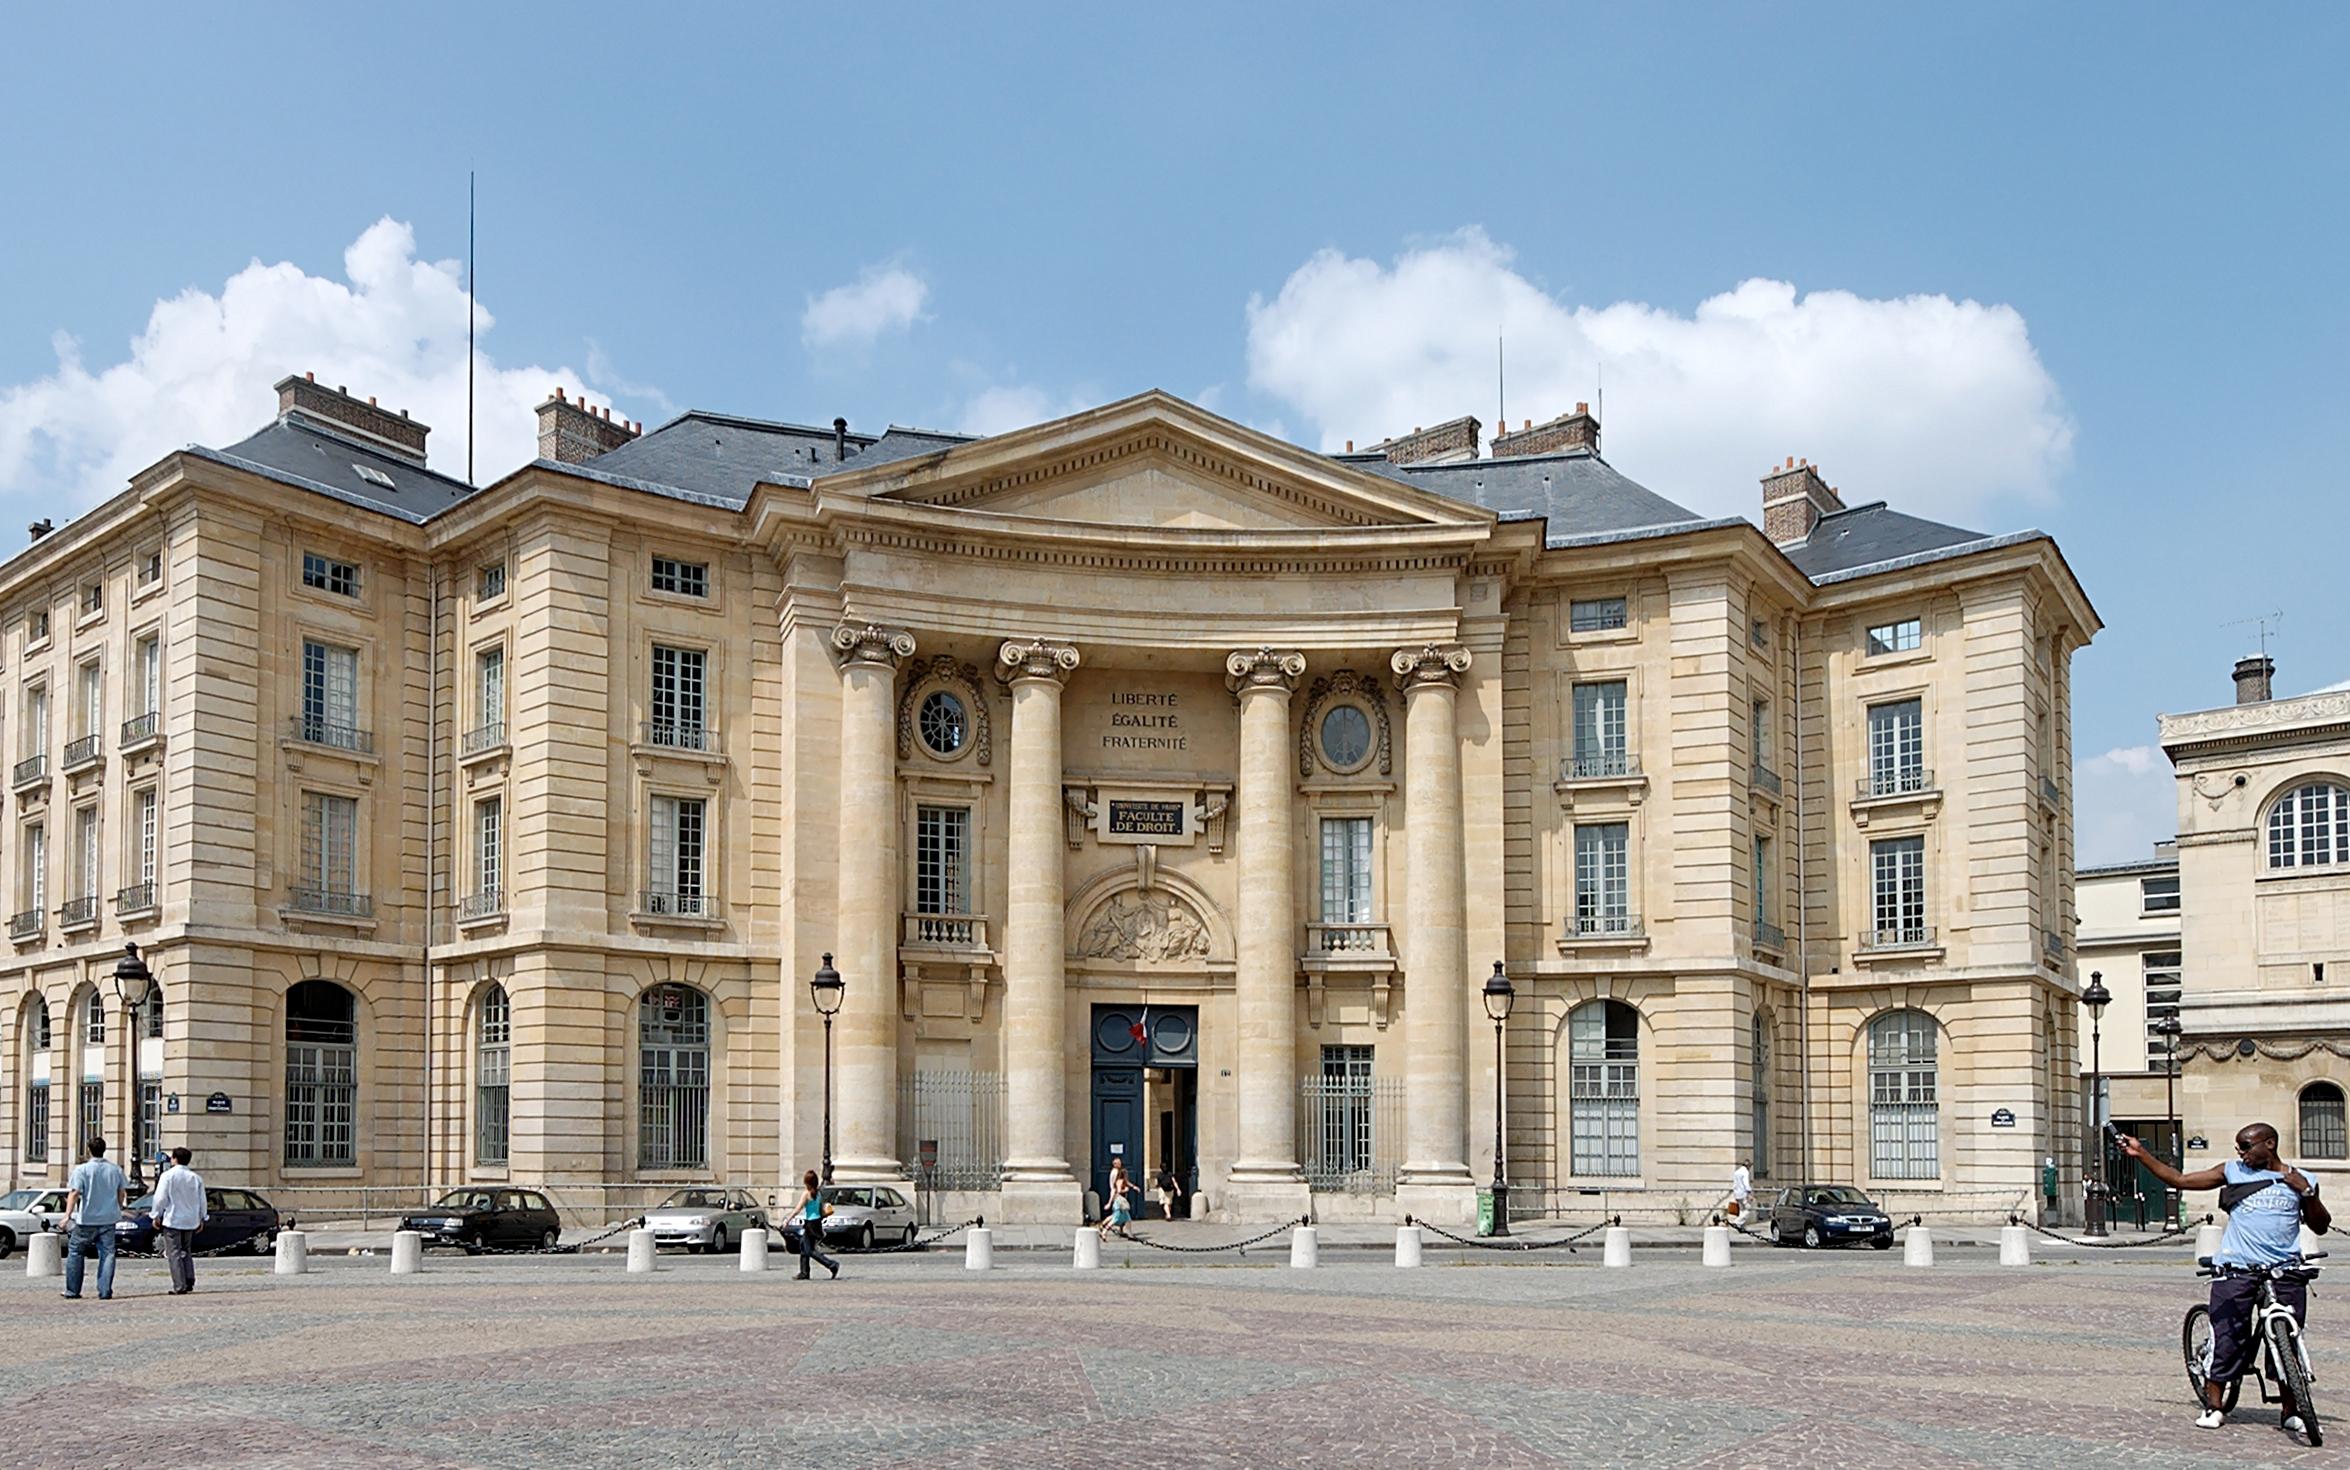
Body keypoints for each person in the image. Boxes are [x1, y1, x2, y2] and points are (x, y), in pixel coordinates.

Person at [2121, 1123, 2332, 1434]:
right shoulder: (2231, 1171)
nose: (2241, 1153)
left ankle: (2291, 1411)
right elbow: (2178, 1179)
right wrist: (2141, 1154)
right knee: (2228, 1338)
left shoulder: (2301, 1179)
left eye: (2246, 1146)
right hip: (2236, 1268)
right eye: (2239, 1147)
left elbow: (2321, 1226)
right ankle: (2215, 1405)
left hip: (2284, 1270)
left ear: (2269, 1144)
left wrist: (2307, 1192)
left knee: (2287, 1338)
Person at [61, 1135, 128, 1301]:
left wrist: (67, 1215)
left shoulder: (82, 1170)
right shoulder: (115, 1169)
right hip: (109, 1218)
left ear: (89, 1150)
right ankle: (105, 1290)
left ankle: (73, 1290)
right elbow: (121, 1192)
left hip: (87, 1219)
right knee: (108, 1253)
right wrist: (118, 1207)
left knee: (76, 1252)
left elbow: (75, 1192)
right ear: (104, 1150)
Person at [153, 1146, 208, 1295]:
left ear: (174, 1159)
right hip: (190, 1220)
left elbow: (160, 1198)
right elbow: (202, 1200)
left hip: (173, 1219)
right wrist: (203, 1217)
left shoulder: (168, 1176)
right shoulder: (195, 1178)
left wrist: (156, 1214)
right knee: (186, 1251)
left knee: (174, 1253)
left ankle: (179, 1284)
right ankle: (189, 1279)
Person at [793, 1170, 838, 1281]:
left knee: (809, 1250)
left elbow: (798, 1209)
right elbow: (820, 1209)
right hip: (816, 1223)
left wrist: (787, 1220)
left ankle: (832, 1265)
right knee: (803, 1246)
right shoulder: (818, 1193)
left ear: (807, 1182)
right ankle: (804, 1272)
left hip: (810, 1224)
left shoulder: (806, 1194)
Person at [1099, 1159, 1137, 1241]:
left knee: (1127, 1219)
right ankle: (1104, 1232)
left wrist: (1133, 1187)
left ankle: (1129, 1234)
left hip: (1118, 1201)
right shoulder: (1119, 1181)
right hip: (1119, 1202)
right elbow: (1118, 1191)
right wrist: (1125, 1190)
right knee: (1115, 1218)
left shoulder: (1120, 1179)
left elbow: (1127, 1183)